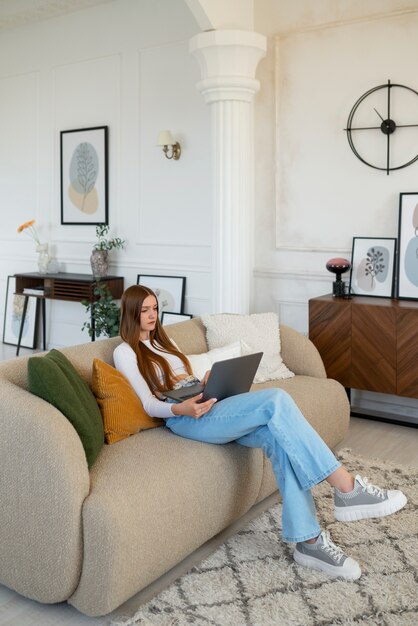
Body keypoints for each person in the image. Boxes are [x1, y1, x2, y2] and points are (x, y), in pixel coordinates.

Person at [113, 285, 407, 580]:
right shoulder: (125, 352)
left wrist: (206, 383)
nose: (152, 315)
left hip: (205, 402)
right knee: (275, 400)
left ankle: (309, 542)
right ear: (131, 312)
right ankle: (346, 487)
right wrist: (182, 409)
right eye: (145, 311)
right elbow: (150, 403)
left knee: (277, 437)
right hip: (183, 419)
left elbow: (181, 379)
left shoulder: (163, 341)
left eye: (154, 308)